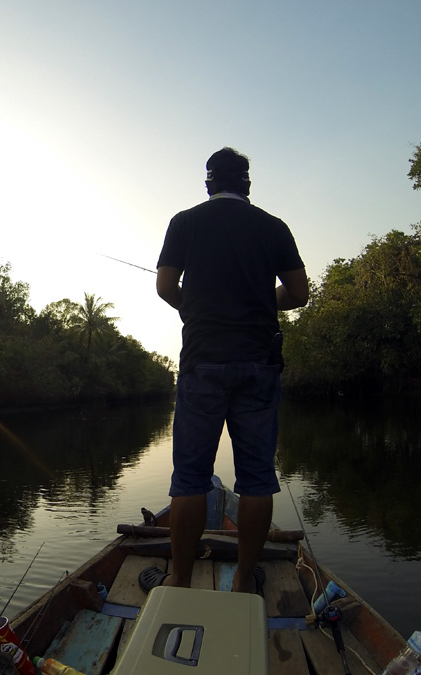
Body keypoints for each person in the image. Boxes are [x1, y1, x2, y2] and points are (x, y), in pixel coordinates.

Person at [140, 147, 308, 595]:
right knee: (257, 478)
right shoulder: (274, 227)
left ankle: (178, 579)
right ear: (247, 185)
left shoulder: (185, 222)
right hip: (259, 365)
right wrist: (260, 305)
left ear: (209, 184)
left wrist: (194, 309)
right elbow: (300, 293)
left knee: (189, 477)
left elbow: (163, 286)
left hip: (203, 363)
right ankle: (243, 586)